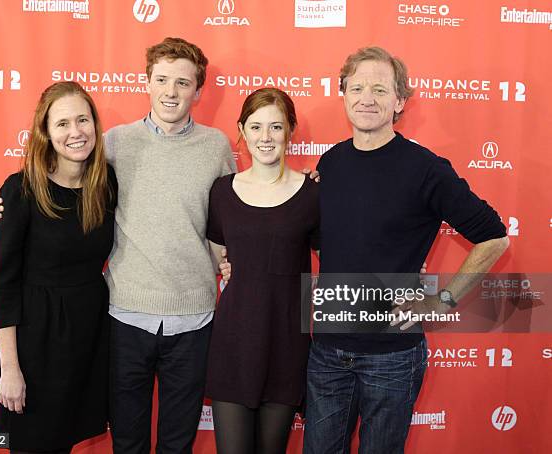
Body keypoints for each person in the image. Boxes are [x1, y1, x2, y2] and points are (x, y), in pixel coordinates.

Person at [0, 37, 236, 453]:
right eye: (161, 80)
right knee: (126, 440)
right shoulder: (115, 145)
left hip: (192, 318)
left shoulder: (216, 147)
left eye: (182, 82)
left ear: (198, 89)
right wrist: (6, 205)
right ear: (147, 82)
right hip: (124, 318)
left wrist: (308, 186)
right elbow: (51, 183)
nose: (171, 91)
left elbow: (235, 209)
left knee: (177, 441)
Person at [303, 46, 509, 453]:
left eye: (380, 89)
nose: (366, 98)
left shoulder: (425, 168)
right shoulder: (329, 163)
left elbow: (495, 236)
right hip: (326, 351)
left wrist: (444, 300)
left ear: (400, 100)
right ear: (342, 93)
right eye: (357, 87)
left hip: (392, 355)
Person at [0, 81, 117, 453]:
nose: (75, 132)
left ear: (95, 124)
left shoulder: (106, 183)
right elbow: (3, 284)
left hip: (89, 335)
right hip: (34, 342)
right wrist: (10, 369)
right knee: (32, 442)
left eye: (83, 120)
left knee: (65, 442)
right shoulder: (20, 190)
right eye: (62, 123)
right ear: (45, 132)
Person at [206, 88, 319, 454]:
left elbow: (338, 253)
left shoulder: (313, 194)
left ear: (291, 131)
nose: (265, 137)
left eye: (275, 127)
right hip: (233, 342)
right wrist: (225, 268)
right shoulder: (222, 192)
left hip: (286, 343)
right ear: (241, 130)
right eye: (255, 127)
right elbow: (218, 251)